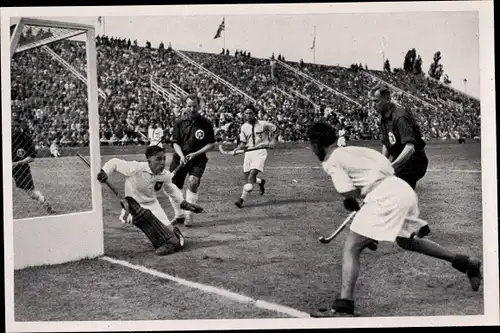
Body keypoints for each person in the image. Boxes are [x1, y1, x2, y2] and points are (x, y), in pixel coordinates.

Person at [306, 121, 482, 318]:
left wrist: (351, 203)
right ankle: (466, 263)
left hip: (386, 197)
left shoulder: (331, 161)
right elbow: (385, 167)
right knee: (407, 242)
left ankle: (343, 307)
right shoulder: (356, 150)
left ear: (315, 144)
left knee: (352, 247)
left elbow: (350, 192)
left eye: (311, 145)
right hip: (401, 189)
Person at [97, 145, 202, 256]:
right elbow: (115, 162)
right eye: (158, 159)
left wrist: (184, 203)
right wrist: (105, 172)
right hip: (132, 208)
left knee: (172, 236)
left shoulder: (164, 175)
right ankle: (160, 241)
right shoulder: (136, 168)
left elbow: (171, 189)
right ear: (149, 161)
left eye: (164, 159)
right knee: (143, 216)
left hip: (152, 204)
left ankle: (174, 234)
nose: (162, 162)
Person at [168, 94, 216, 227]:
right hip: (180, 158)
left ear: (199, 106)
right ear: (185, 106)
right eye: (189, 106)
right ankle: (179, 215)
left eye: (195, 106)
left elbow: (211, 144)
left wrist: (195, 154)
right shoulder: (179, 122)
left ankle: (189, 215)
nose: (192, 109)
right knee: (173, 186)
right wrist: (182, 156)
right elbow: (175, 143)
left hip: (197, 159)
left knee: (193, 182)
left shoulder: (205, 123)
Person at [370, 86, 429, 190]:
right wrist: (383, 163)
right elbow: (387, 143)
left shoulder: (400, 117)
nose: (373, 105)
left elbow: (410, 148)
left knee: (392, 190)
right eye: (372, 101)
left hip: (414, 160)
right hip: (402, 159)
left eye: (376, 101)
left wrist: (392, 166)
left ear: (387, 99)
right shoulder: (384, 117)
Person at [232, 104, 278, 208]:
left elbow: (275, 131)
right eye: (246, 113)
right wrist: (237, 149)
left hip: (260, 152)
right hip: (249, 153)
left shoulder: (264, 124)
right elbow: (243, 143)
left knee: (252, 175)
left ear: (255, 114)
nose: (248, 115)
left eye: (250, 113)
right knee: (247, 178)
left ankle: (241, 199)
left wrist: (272, 141)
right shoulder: (244, 127)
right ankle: (261, 181)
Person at [11, 112, 56, 215]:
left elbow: (32, 157)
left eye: (15, 125)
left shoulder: (25, 138)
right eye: (12, 125)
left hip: (20, 168)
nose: (14, 128)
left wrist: (16, 163)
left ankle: (46, 205)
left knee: (31, 193)